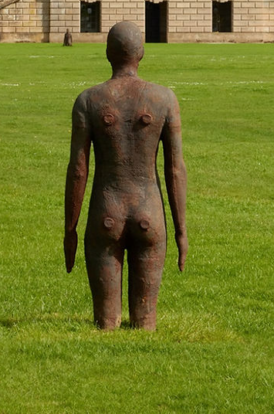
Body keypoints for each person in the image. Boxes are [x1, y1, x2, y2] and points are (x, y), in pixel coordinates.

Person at [64, 21, 187, 330]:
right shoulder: (164, 99)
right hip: (149, 212)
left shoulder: (89, 100)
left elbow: (78, 169)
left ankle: (108, 328)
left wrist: (71, 228)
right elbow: (175, 169)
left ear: (108, 54)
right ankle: (143, 335)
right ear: (141, 53)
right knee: (146, 323)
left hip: (107, 210)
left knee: (106, 323)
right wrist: (181, 230)